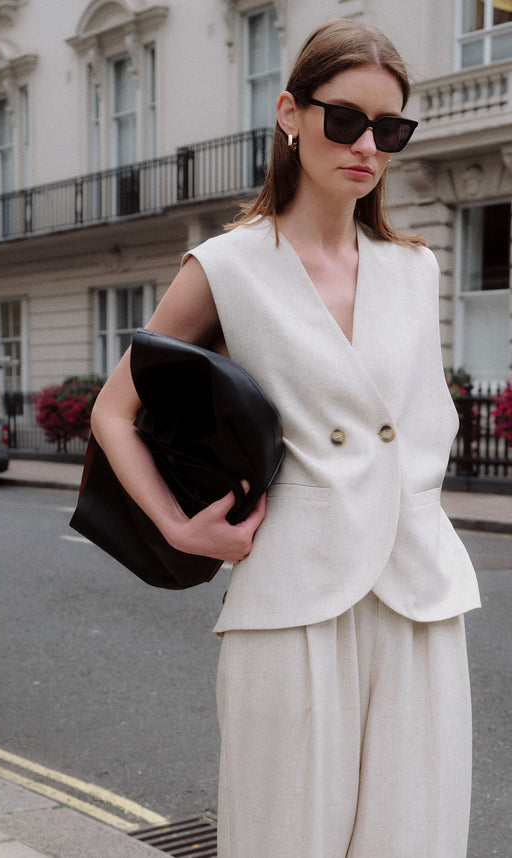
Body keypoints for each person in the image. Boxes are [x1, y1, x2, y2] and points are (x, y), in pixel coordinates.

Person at [90, 17, 481, 858]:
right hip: (293, 597)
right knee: (284, 839)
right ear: (290, 114)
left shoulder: (416, 268)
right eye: (345, 119)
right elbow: (112, 410)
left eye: (390, 129)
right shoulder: (227, 266)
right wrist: (177, 526)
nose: (367, 145)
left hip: (418, 592)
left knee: (414, 838)